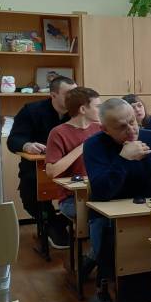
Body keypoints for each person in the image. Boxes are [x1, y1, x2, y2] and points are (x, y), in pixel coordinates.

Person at [84, 98, 151, 276]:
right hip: (108, 215)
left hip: (150, 211)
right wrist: (123, 159)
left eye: (132, 122)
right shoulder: (94, 145)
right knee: (113, 261)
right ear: (105, 129)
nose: (131, 130)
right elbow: (102, 192)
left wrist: (146, 155)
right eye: (122, 127)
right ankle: (103, 268)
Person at [6, 75, 77, 250]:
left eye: (75, 93)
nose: (73, 98)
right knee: (30, 197)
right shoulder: (31, 111)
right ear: (53, 95)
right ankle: (53, 224)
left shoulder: (78, 111)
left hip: (72, 167)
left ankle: (60, 223)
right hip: (37, 168)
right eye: (68, 94)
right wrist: (27, 145)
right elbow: (13, 140)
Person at [45, 87, 102, 222]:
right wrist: (83, 146)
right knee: (100, 215)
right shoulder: (58, 132)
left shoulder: (100, 128)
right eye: (97, 107)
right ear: (83, 109)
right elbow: (51, 171)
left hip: (100, 192)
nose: (101, 110)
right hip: (72, 198)